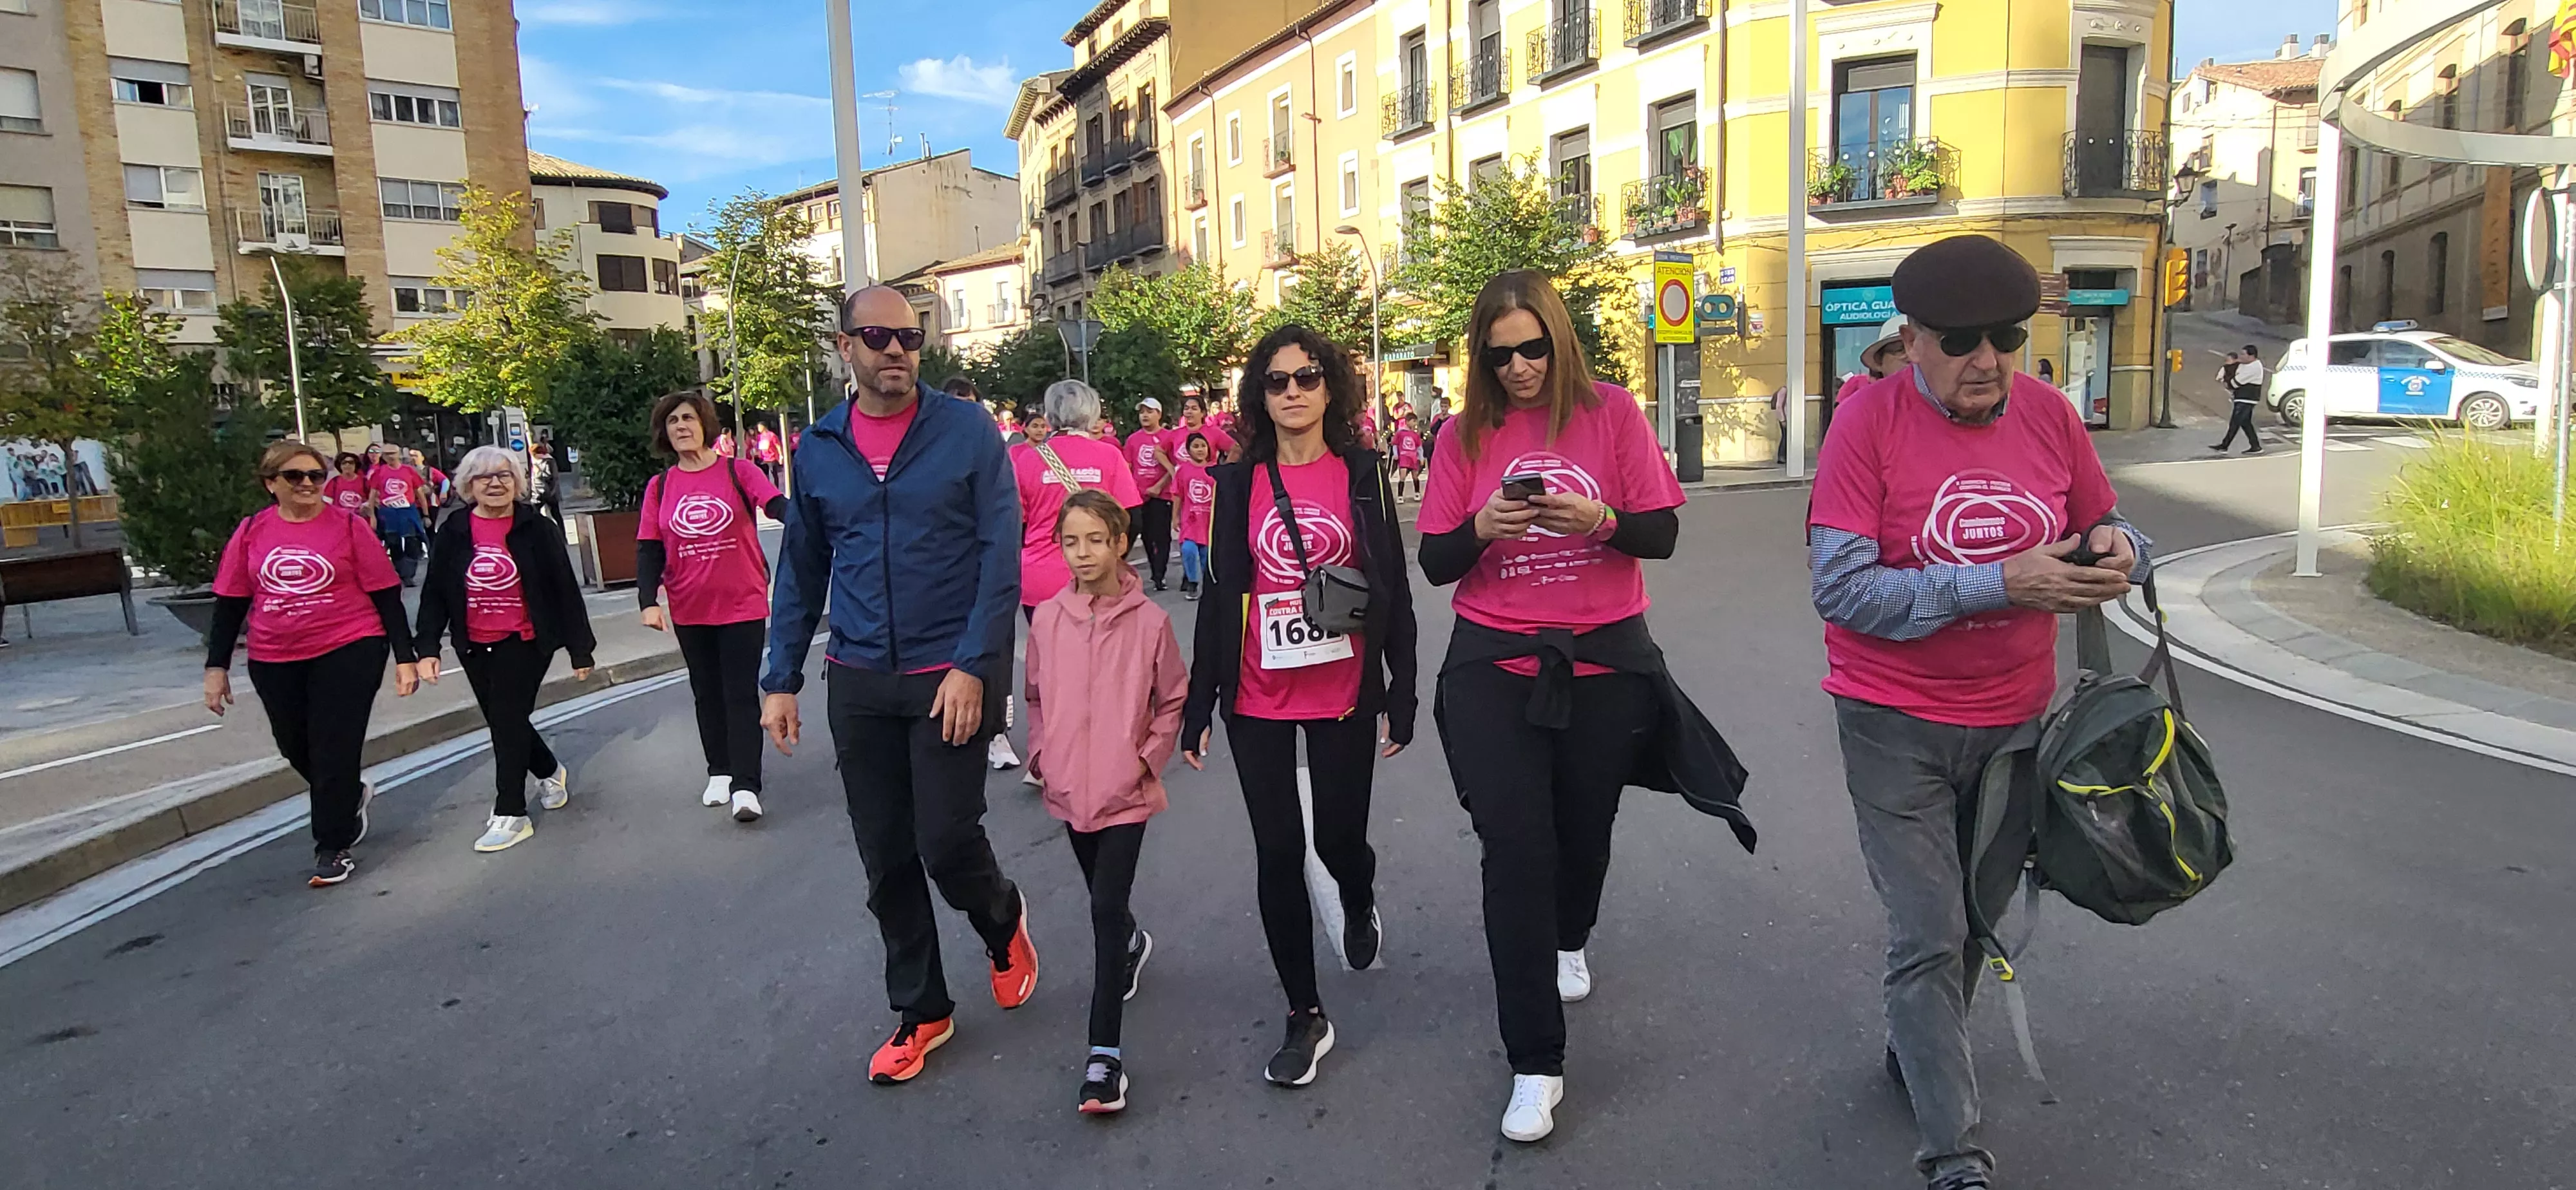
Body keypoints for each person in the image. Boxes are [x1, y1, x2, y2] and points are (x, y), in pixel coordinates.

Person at [1808, 234, 2151, 1190]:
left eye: (2007, 335)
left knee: (1974, 923)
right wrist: (1993, 582)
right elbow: (1842, 590)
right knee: (1927, 928)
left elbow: (2105, 520)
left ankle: (1917, 1048)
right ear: (1912, 338)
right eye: (1962, 340)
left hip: (2017, 724)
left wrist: (2123, 547)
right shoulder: (1864, 427)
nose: (1989, 360)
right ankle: (1952, 1151)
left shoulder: (2049, 413)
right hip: (1891, 720)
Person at [1417, 269, 1750, 1143]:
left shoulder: (1611, 413)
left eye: (1534, 348)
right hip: (1493, 660)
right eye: (1501, 355)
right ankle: (1536, 1063)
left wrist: (1599, 518)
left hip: (1604, 658)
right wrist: (1485, 529)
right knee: (1515, 848)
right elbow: (1437, 562)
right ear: (1481, 360)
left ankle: (1571, 936)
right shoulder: (1462, 434)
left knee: (1584, 830)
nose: (1520, 367)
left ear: (1558, 341)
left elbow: (1662, 536)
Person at [762, 285, 1040, 1086]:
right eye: (878, 336)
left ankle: (1001, 916)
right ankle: (922, 1009)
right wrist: (779, 677)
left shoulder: (965, 432)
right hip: (857, 679)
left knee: (947, 842)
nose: (897, 351)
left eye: (910, 338)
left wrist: (974, 663)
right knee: (885, 857)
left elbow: (999, 554)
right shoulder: (817, 447)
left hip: (948, 671)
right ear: (844, 345)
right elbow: (802, 571)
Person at [1180, 323, 1417, 1090]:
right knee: (1279, 851)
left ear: (1330, 388)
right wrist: (1197, 703)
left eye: (1307, 377)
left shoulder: (1364, 475)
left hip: (1343, 687)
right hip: (1256, 692)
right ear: (1259, 394)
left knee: (1340, 840)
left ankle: (1356, 892)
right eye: (1277, 380)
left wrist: (1400, 689)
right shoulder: (1235, 486)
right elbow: (1216, 596)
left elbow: (1394, 591)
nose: (1292, 392)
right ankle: (1303, 1013)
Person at [1023, 489, 1187, 1114]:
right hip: (1067, 789)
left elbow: (1172, 697)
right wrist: (1041, 757)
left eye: (1095, 539)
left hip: (1126, 791)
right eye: (1071, 541)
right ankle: (1132, 941)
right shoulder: (1046, 618)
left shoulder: (1151, 623)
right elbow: (1034, 695)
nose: (1083, 553)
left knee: (1101, 906)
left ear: (1121, 542)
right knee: (1105, 904)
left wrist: (1146, 758)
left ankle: (1104, 1059)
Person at [203, 441, 422, 887]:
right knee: (294, 746)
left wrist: (405, 658)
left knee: (333, 748)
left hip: (349, 646)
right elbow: (230, 602)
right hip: (274, 655)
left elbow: (385, 594)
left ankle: (332, 847)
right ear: (271, 484)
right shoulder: (251, 531)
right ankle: (349, 794)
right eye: (294, 477)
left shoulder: (347, 525)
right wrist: (216, 667)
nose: (307, 485)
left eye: (316, 477)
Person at [413, 446, 594, 853]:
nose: (495, 484)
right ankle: (549, 769)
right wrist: (427, 647)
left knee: (508, 720)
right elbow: (436, 593)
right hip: (474, 642)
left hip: (526, 640)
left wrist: (580, 647)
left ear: (517, 482)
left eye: (504, 476)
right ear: (468, 486)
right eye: (484, 478)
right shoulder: (455, 530)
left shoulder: (536, 528)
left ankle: (511, 813)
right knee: (505, 721)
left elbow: (564, 589)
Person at [637, 390, 788, 822]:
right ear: (665, 433)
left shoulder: (737, 471)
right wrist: (649, 601)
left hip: (741, 602)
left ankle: (746, 785)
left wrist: (813, 523)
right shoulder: (661, 485)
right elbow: (649, 545)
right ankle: (719, 770)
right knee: (706, 692)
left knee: (739, 694)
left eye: (688, 418)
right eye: (672, 422)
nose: (681, 427)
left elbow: (777, 506)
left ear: (705, 425)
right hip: (688, 603)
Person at [1005, 381, 1142, 774]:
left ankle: (1048, 753)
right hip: (1096, 576)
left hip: (1041, 579)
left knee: (1051, 667)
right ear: (1093, 413)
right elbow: (1132, 516)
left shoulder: (1025, 459)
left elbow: (1016, 521)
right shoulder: (1109, 456)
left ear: (1049, 416)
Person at [1126, 396, 1177, 590]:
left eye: (1149, 412)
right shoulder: (1133, 439)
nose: (1145, 416)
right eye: (1142, 412)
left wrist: (1159, 486)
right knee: (1146, 535)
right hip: (1140, 495)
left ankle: (1160, 574)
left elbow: (1173, 468)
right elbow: (1128, 466)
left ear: (1159, 414)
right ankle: (1155, 570)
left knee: (1161, 536)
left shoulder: (1168, 438)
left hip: (1161, 495)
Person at [366, 444, 427, 587]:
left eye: (393, 453)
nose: (390, 457)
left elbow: (419, 492)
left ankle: (410, 573)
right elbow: (372, 495)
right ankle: (403, 574)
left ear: (399, 454)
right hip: (389, 513)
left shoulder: (409, 471)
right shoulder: (379, 473)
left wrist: (426, 514)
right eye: (386, 454)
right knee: (394, 544)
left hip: (408, 511)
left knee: (412, 542)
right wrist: (372, 516)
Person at [1173, 432, 1214, 601]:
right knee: (1188, 549)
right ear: (1188, 450)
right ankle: (1193, 582)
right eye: (1196, 446)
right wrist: (1175, 517)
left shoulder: (1215, 469)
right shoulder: (1183, 471)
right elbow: (1177, 494)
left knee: (1207, 556)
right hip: (1190, 520)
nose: (1200, 450)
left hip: (1209, 521)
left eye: (1203, 446)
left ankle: (1209, 588)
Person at [2214, 343, 2266, 455]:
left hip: (2247, 398)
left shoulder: (2255, 367)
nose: (2240, 357)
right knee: (2245, 423)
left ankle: (2224, 446)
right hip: (2240, 397)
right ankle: (2255, 446)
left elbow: (2235, 383)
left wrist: (2227, 382)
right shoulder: (2243, 365)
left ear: (2252, 356)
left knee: (2235, 422)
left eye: (2243, 354)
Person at [1177, 392, 1235, 462]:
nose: (1189, 411)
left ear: (1203, 413)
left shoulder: (1214, 432)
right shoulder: (1174, 434)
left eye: (1194, 408)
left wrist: (1223, 471)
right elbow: (1160, 452)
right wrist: (1171, 470)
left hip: (1208, 472)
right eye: (1186, 409)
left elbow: (1235, 450)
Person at [1390, 411, 1425, 500]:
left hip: (1413, 457)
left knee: (1415, 476)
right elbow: (1395, 444)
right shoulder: (1400, 433)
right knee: (1402, 476)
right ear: (1408, 421)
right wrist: (1396, 454)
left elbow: (1419, 447)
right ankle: (1400, 496)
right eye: (1413, 421)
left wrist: (1421, 457)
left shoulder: (1415, 435)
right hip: (1404, 457)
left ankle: (1417, 493)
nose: (1415, 424)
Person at [325, 453, 370, 517]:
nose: (347, 465)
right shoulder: (334, 482)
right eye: (344, 463)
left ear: (356, 465)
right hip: (340, 519)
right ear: (340, 466)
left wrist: (365, 507)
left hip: (360, 519)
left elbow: (372, 499)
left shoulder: (364, 481)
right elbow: (327, 502)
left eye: (351, 463)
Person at [529, 442, 564, 523]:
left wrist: (551, 492)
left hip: (547, 493)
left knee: (555, 514)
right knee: (535, 513)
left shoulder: (548, 461)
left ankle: (561, 534)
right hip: (540, 492)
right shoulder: (536, 461)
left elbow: (552, 477)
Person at [752, 421, 786, 486]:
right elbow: (758, 446)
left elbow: (777, 445)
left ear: (763, 427)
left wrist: (781, 456)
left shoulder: (771, 435)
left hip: (771, 458)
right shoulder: (759, 437)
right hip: (763, 458)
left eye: (759, 427)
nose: (758, 429)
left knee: (774, 474)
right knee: (765, 475)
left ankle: (776, 487)